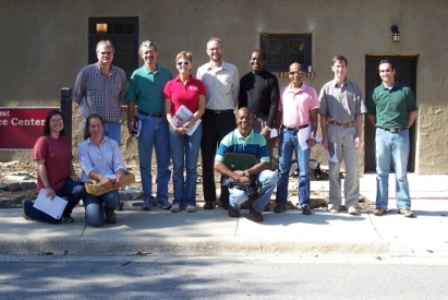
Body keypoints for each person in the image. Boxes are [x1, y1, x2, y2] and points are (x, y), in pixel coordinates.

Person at [367, 59, 418, 218]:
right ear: (379, 73)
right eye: (382, 71)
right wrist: (382, 128)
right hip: (382, 135)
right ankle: (381, 205)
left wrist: (405, 127)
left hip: (401, 135)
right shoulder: (376, 92)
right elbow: (371, 115)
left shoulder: (405, 91)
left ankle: (404, 206)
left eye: (388, 70)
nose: (385, 73)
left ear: (393, 71)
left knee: (401, 173)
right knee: (381, 172)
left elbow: (413, 112)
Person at [126, 40, 173, 211]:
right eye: (145, 53)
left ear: (156, 53)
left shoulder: (166, 73)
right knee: (145, 163)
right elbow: (131, 100)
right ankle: (147, 197)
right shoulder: (137, 75)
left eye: (151, 52)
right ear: (141, 55)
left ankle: (162, 197)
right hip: (144, 121)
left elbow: (173, 98)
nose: (148, 55)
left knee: (163, 163)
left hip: (162, 122)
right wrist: (129, 121)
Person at [319, 55, 366, 215]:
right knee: (334, 168)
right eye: (337, 66)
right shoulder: (326, 89)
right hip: (333, 130)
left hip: (350, 131)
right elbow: (322, 115)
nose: (340, 69)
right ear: (333, 68)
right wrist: (324, 136)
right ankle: (334, 202)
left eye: (343, 66)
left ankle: (352, 203)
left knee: (352, 169)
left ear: (347, 68)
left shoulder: (355, 88)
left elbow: (360, 114)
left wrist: (359, 134)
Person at [196, 37, 240, 210]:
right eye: (211, 49)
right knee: (207, 159)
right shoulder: (202, 71)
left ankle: (225, 198)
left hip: (226, 118)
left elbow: (235, 93)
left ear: (222, 49)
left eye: (217, 48)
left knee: (226, 160)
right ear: (207, 51)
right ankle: (209, 198)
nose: (215, 52)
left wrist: (231, 111)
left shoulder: (232, 69)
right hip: (207, 117)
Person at [214, 107, 278, 222]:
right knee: (239, 196)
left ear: (252, 120)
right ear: (236, 119)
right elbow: (217, 164)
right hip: (234, 179)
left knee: (272, 177)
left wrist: (246, 172)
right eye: (241, 118)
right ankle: (234, 207)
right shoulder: (228, 139)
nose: (244, 120)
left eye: (247, 118)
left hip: (254, 175)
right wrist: (238, 177)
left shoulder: (259, 138)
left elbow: (265, 162)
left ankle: (256, 208)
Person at [23, 110, 85, 224]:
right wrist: (47, 187)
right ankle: (28, 207)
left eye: (59, 120)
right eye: (54, 120)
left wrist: (73, 174)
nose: (57, 123)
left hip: (64, 182)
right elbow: (40, 165)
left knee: (80, 189)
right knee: (54, 220)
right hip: (49, 186)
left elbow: (68, 160)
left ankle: (66, 213)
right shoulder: (42, 141)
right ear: (48, 124)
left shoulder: (63, 140)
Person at [164, 51, 206, 213]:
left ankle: (190, 200)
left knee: (191, 166)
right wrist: (174, 126)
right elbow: (167, 111)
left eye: (186, 63)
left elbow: (201, 109)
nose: (183, 66)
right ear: (176, 65)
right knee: (177, 166)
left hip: (194, 128)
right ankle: (177, 200)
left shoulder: (198, 84)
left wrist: (191, 122)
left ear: (191, 65)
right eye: (180, 63)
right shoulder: (170, 85)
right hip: (175, 129)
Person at [275, 62, 319, 215]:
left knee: (304, 171)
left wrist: (313, 135)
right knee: (283, 170)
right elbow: (278, 116)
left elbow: (314, 117)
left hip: (303, 134)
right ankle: (280, 202)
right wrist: (276, 136)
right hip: (286, 133)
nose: (296, 75)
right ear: (289, 75)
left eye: (299, 71)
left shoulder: (310, 92)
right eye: (293, 72)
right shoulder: (282, 92)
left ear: (303, 73)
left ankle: (304, 203)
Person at [73, 40, 127, 145]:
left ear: (113, 55)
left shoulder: (120, 74)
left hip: (113, 125)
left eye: (109, 53)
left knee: (111, 158)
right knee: (93, 157)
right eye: (103, 53)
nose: (106, 55)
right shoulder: (86, 72)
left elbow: (123, 96)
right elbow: (77, 97)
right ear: (97, 54)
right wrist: (89, 116)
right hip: (93, 126)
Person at [78, 114, 127, 227]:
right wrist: (101, 178)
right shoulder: (83, 147)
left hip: (108, 186)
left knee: (113, 199)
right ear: (88, 128)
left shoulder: (112, 144)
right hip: (91, 188)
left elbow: (119, 165)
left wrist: (119, 175)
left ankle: (109, 210)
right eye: (93, 126)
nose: (96, 129)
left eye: (98, 125)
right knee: (95, 222)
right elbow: (88, 170)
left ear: (103, 126)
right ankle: (94, 208)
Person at [238, 49, 279, 169]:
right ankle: (249, 186)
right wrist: (241, 124)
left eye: (259, 59)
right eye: (253, 59)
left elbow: (274, 103)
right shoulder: (244, 80)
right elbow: (241, 104)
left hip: (264, 123)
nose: (256, 61)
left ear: (264, 61)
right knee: (248, 156)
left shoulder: (270, 79)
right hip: (248, 122)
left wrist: (269, 125)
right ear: (250, 61)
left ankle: (265, 186)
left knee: (265, 157)